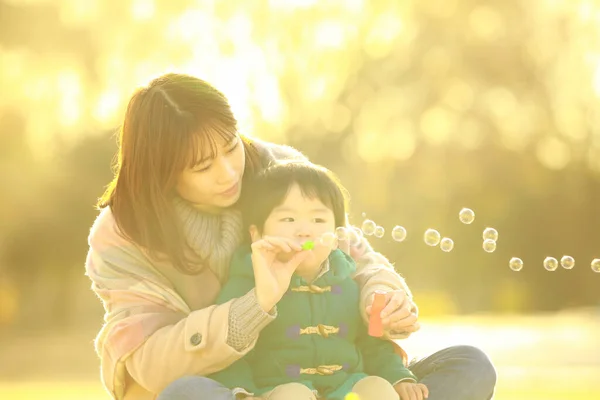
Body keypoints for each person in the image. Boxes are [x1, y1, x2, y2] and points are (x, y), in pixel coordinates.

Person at [85, 73, 496, 400]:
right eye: (202, 166)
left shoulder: (281, 171)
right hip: (244, 386)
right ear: (162, 171)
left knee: (469, 366)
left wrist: (382, 299)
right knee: (184, 394)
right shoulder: (124, 235)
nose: (229, 173)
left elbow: (355, 255)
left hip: (343, 380)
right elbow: (151, 365)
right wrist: (254, 306)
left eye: (230, 148)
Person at [208, 160, 429, 400]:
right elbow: (229, 353)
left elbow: (372, 344)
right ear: (257, 234)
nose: (305, 231)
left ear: (336, 237)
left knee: (378, 388)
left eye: (319, 221)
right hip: (274, 389)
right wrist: (243, 393)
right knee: (294, 395)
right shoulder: (246, 284)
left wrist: (399, 377)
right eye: (288, 220)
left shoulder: (346, 281)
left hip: (343, 388)